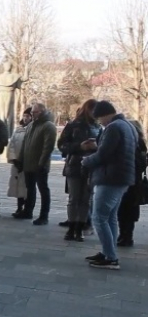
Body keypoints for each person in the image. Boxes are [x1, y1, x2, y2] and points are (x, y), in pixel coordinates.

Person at [82, 100, 136, 270]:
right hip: (121, 177)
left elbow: (103, 155)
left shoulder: (113, 127)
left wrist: (85, 161)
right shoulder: (127, 125)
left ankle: (111, 257)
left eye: (99, 119)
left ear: (105, 114)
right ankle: (108, 251)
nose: (99, 123)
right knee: (110, 217)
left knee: (99, 217)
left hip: (110, 178)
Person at [56, 99, 100, 241]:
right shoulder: (73, 125)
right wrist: (80, 147)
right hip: (74, 164)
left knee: (86, 199)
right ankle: (72, 228)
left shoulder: (99, 127)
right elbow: (62, 145)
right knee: (74, 198)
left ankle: (80, 228)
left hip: (91, 166)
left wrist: (95, 147)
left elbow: (104, 147)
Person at [15, 103, 57, 225]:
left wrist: (42, 163)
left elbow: (47, 147)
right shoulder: (31, 125)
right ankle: (28, 211)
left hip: (40, 165)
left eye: (35, 112)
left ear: (42, 112)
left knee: (43, 189)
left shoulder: (48, 126)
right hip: (28, 163)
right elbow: (25, 144)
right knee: (30, 189)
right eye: (32, 112)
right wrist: (20, 159)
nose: (32, 114)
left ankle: (44, 216)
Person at [117, 120, 147, 247]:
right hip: (134, 182)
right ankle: (125, 235)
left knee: (126, 210)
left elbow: (139, 164)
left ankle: (126, 236)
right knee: (127, 211)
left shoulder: (137, 145)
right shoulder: (141, 145)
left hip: (131, 182)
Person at [0, 59, 28, 136]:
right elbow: (23, 84)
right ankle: (8, 134)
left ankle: (1, 134)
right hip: (10, 97)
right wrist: (26, 68)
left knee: (2, 115)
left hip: (2, 97)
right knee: (9, 116)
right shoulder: (15, 76)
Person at [8, 108, 32, 217]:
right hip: (17, 162)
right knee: (17, 186)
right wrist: (13, 158)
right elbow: (12, 144)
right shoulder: (18, 129)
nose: (26, 118)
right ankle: (19, 207)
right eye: (25, 116)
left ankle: (26, 208)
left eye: (28, 116)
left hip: (27, 163)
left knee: (26, 187)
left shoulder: (33, 129)